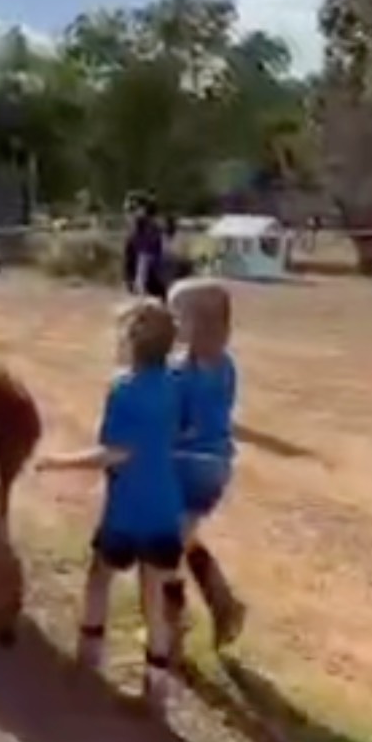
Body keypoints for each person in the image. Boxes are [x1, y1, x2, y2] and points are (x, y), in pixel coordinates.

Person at [37, 297, 183, 712]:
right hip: (165, 504)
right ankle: (156, 684)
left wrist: (57, 462)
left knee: (99, 577)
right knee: (152, 594)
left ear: (131, 342)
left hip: (127, 509)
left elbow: (115, 453)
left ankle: (89, 656)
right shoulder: (175, 384)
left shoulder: (123, 389)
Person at [166, 278, 246, 654]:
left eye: (176, 319)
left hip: (184, 466)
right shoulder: (227, 367)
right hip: (216, 468)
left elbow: (173, 422)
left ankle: (172, 627)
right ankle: (222, 605)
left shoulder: (181, 373)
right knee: (183, 536)